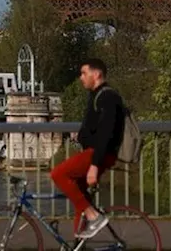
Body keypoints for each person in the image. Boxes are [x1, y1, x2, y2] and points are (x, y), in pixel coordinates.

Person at [49, 58, 123, 240]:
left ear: (96, 74)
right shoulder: (96, 95)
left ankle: (94, 216)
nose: (81, 77)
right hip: (93, 152)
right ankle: (78, 241)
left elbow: (106, 133)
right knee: (79, 198)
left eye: (84, 73)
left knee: (58, 174)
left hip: (99, 154)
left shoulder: (108, 97)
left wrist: (94, 165)